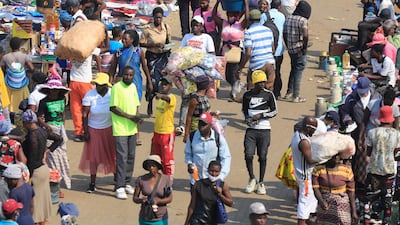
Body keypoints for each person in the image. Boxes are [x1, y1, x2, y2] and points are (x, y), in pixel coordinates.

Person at [64, 0, 102, 142]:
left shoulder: (79, 20)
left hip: (79, 79)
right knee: (82, 108)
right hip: (81, 79)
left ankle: (81, 132)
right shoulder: (86, 46)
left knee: (79, 109)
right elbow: (100, 51)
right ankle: (83, 132)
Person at [339, 77, 382, 198]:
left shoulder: (376, 97)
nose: (362, 94)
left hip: (373, 131)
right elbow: (344, 111)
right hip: (356, 131)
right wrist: (348, 121)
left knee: (371, 157)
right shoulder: (352, 98)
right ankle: (357, 183)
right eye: (360, 91)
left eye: (364, 91)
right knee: (357, 155)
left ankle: (369, 183)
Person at [22, 109, 62, 225]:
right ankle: (43, 221)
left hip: (36, 172)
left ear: (27, 123)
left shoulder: (32, 136)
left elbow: (32, 160)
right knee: (43, 199)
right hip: (44, 169)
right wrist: (46, 152)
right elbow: (59, 139)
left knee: (35, 202)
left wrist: (29, 176)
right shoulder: (42, 131)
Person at [177, 17, 214, 136]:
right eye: (192, 24)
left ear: (202, 26)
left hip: (201, 75)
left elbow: (211, 54)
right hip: (188, 74)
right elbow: (181, 52)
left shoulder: (207, 38)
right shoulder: (187, 37)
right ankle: (182, 125)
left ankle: (203, 124)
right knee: (186, 99)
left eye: (197, 25)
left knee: (201, 100)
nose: (194, 27)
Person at [78, 73, 116, 193]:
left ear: (106, 85)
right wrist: (85, 131)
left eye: (101, 85)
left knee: (112, 155)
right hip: (94, 128)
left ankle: (117, 181)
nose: (99, 87)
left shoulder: (112, 93)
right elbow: (84, 114)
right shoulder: (90, 95)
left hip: (109, 128)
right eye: (97, 84)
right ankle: (92, 183)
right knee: (94, 157)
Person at [110, 66, 143, 200]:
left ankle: (127, 182)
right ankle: (119, 186)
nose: (128, 77)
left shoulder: (133, 87)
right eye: (126, 75)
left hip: (132, 129)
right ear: (122, 75)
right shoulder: (116, 87)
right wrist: (130, 117)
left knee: (131, 156)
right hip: (120, 128)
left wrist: (137, 119)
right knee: (122, 158)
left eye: (130, 75)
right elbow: (113, 108)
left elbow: (136, 106)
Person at [242, 70, 277, 195]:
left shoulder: (269, 95)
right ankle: (252, 178)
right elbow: (244, 111)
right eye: (259, 83)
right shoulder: (247, 95)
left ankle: (261, 182)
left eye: (263, 82)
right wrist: (247, 119)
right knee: (248, 155)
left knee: (262, 156)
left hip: (264, 130)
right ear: (254, 83)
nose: (262, 85)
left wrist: (261, 115)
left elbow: (274, 111)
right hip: (251, 131)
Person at [365, 106, 400, 224]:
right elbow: (396, 152)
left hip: (374, 169)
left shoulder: (372, 132)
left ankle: (371, 218)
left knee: (372, 197)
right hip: (389, 169)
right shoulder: (397, 134)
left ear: (379, 119)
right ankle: (386, 219)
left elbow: (368, 151)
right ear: (392, 120)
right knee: (387, 197)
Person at [37, 76, 72, 195]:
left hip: (60, 130)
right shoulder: (43, 102)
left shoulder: (62, 99)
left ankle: (59, 184)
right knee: (51, 158)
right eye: (52, 90)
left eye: (56, 90)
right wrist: (46, 126)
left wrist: (63, 126)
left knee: (62, 157)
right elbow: (39, 117)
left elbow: (63, 114)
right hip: (50, 130)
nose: (54, 92)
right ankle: (56, 188)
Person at [212, 0, 249, 99]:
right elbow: (214, 16)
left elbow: (247, 17)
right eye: (229, 15)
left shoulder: (240, 25)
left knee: (233, 72)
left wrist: (245, 4)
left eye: (233, 15)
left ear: (236, 16)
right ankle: (238, 86)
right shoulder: (224, 23)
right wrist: (218, 2)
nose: (230, 17)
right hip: (225, 51)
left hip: (236, 52)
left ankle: (235, 92)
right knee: (226, 75)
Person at [140, 7, 172, 116]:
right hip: (152, 58)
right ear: (153, 18)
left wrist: (167, 48)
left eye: (160, 18)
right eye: (156, 18)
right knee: (153, 82)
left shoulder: (166, 28)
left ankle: (161, 106)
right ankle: (150, 102)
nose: (158, 20)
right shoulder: (148, 30)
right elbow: (141, 43)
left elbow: (169, 41)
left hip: (163, 57)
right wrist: (154, 45)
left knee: (162, 82)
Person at [184, 112, 231, 185]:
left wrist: (220, 176)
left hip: (212, 181)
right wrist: (189, 163)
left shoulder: (218, 138)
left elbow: (226, 158)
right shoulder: (192, 137)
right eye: (199, 124)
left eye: (204, 124)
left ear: (210, 125)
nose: (201, 127)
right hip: (196, 180)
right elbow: (188, 154)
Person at [312, 154, 358, 225]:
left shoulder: (347, 170)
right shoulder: (318, 169)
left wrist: (354, 212)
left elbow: (351, 192)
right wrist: (321, 201)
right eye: (333, 155)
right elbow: (315, 188)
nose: (336, 157)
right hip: (325, 202)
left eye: (338, 155)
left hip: (342, 203)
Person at [184, 160, 234, 225]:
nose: (214, 174)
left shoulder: (223, 186)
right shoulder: (198, 185)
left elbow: (230, 203)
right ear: (207, 170)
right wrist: (186, 222)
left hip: (213, 221)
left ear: (220, 172)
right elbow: (192, 206)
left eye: (216, 172)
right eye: (211, 171)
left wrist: (220, 194)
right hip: (197, 220)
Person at [237, 9, 275, 91]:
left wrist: (241, 67)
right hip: (270, 63)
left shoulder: (248, 33)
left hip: (256, 65)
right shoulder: (268, 30)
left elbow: (248, 53)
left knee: (252, 89)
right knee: (269, 89)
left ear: (249, 20)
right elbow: (273, 49)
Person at [109, 29, 151, 102]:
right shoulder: (118, 52)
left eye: (125, 39)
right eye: (122, 39)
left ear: (132, 40)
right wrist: (110, 81)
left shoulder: (138, 52)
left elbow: (144, 67)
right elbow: (113, 68)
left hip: (136, 81)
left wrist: (149, 82)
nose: (123, 41)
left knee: (135, 102)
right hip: (122, 82)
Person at [282, 1, 311, 103]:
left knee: (293, 69)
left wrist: (288, 45)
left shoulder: (288, 18)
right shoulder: (303, 20)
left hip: (291, 49)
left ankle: (289, 93)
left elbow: (284, 34)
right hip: (299, 49)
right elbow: (306, 35)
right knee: (298, 70)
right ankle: (296, 96)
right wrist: (304, 48)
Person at [291, 116, 318, 225]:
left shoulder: (297, 135)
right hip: (305, 176)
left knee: (310, 198)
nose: (314, 131)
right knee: (304, 200)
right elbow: (310, 160)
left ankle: (307, 220)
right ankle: (301, 222)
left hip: (301, 173)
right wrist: (324, 158)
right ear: (308, 127)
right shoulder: (303, 142)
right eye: (313, 129)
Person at [133, 155, 173, 225]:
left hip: (160, 218)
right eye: (149, 166)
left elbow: (170, 198)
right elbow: (135, 198)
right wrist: (141, 200)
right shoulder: (141, 179)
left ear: (158, 167)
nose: (151, 168)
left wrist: (158, 201)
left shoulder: (166, 179)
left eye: (153, 166)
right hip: (145, 216)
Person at [0, 38, 34, 114]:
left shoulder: (5, 57)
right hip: (22, 83)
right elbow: (32, 68)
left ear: (10, 46)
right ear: (20, 46)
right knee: (23, 101)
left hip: (9, 84)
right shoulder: (24, 56)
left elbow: (2, 70)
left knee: (9, 103)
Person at [151, 78, 176, 177]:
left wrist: (160, 95)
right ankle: (158, 179)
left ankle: (168, 180)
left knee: (167, 159)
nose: (163, 86)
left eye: (166, 84)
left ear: (170, 86)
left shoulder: (171, 97)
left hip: (167, 133)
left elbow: (169, 99)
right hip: (157, 132)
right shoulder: (160, 100)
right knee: (156, 158)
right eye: (162, 84)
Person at [261, 0, 286, 98]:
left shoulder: (264, 15)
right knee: (277, 70)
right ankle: (277, 92)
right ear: (279, 7)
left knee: (266, 72)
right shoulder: (282, 16)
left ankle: (266, 91)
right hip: (279, 49)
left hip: (267, 49)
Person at [183, 76, 211, 143]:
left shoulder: (204, 96)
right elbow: (189, 116)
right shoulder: (194, 99)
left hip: (206, 124)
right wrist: (186, 134)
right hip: (197, 126)